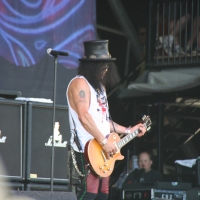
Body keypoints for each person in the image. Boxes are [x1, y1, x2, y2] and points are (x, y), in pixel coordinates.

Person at [66, 40, 147, 200]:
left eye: (107, 65)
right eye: (102, 65)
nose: (105, 69)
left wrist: (129, 130)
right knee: (88, 194)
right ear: (91, 66)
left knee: (103, 195)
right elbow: (84, 116)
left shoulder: (100, 89)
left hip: (103, 149)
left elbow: (104, 121)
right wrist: (104, 141)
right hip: (86, 149)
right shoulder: (80, 83)